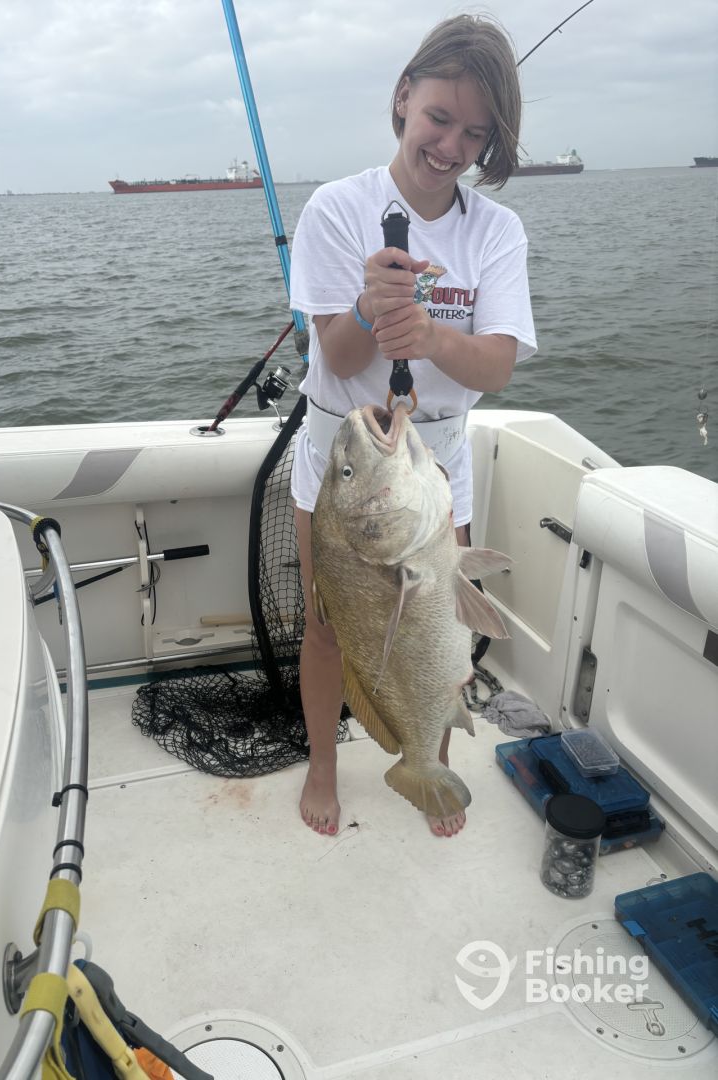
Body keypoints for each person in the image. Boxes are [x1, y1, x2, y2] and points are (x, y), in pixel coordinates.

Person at [288, 14, 537, 839]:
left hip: (431, 468)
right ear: (403, 97)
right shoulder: (337, 209)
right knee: (328, 628)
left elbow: (496, 366)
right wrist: (368, 307)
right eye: (439, 116)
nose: (451, 145)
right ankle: (323, 764)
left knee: (442, 624)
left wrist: (428, 335)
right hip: (343, 465)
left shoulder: (494, 231)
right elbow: (335, 352)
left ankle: (431, 759)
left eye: (475, 133)